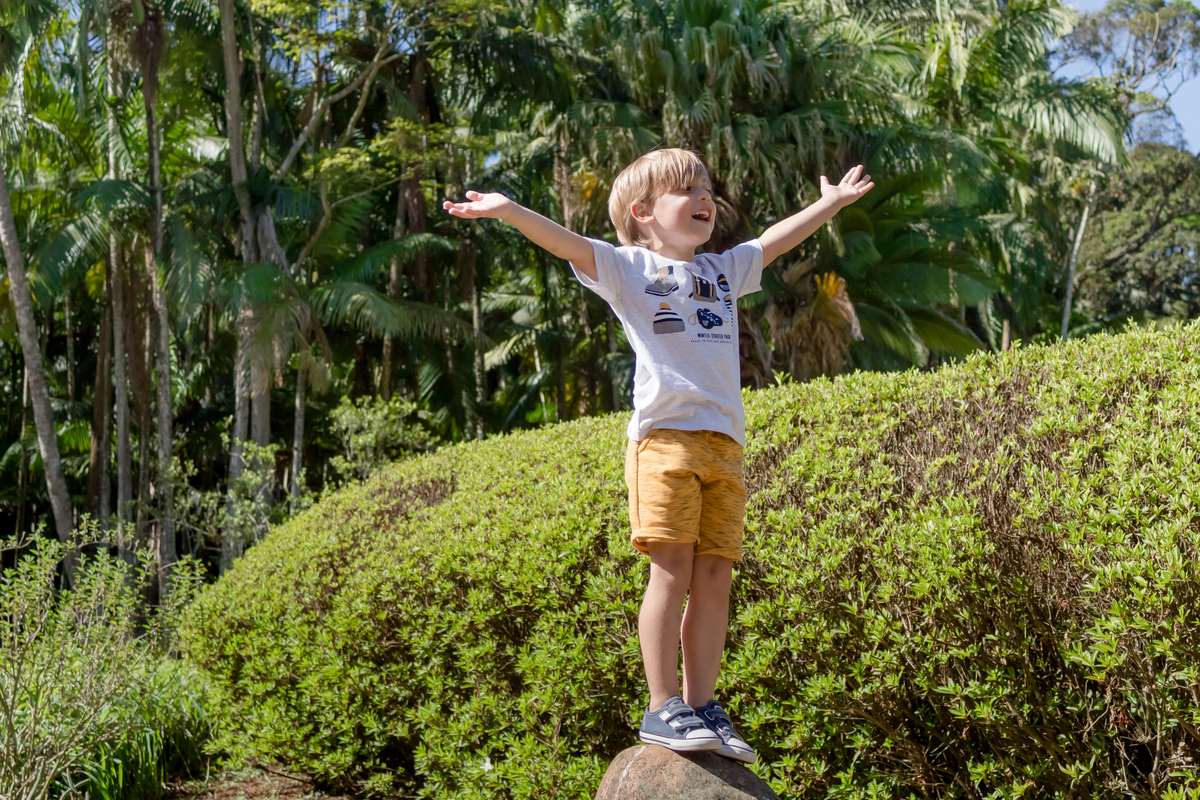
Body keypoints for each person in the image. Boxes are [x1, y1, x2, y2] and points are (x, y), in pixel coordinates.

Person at [444, 148, 873, 764]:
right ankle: (661, 706)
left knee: (716, 577)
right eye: (684, 189)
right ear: (642, 213)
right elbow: (570, 245)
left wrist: (828, 205)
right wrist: (510, 211)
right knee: (670, 569)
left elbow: (772, 242)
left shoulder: (722, 271)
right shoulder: (630, 268)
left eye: (705, 186)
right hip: (665, 442)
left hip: (725, 445)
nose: (703, 196)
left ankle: (703, 707)